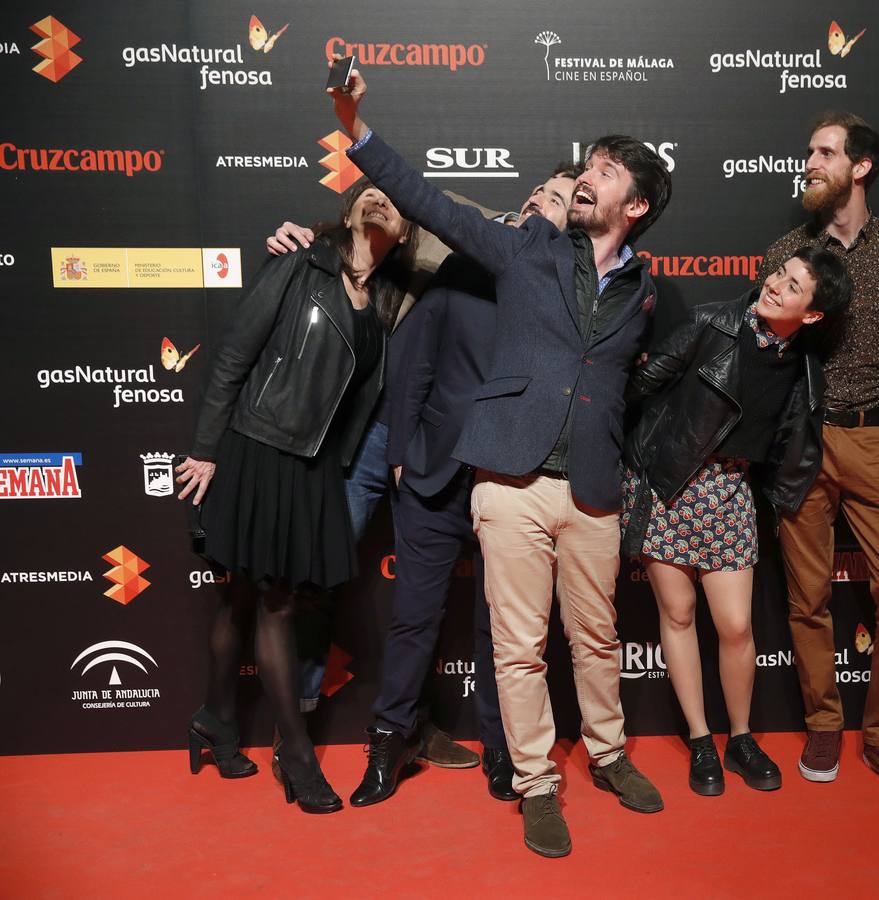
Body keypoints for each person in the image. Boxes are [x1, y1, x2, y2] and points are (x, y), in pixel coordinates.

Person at [329, 66, 672, 857]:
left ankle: (611, 757)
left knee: (595, 638)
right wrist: (357, 130)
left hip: (591, 489)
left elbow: (619, 383)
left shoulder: (642, 291)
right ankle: (535, 784)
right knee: (516, 647)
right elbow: (430, 203)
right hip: (511, 484)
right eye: (585, 169)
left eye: (605, 174)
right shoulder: (527, 253)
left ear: (637, 206)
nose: (587, 178)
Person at [266, 165, 582, 806]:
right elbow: (414, 366)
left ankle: (504, 746)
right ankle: (390, 737)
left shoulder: (570, 295)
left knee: (503, 627)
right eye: (537, 190)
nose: (534, 200)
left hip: (511, 481)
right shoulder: (465, 259)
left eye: (555, 199)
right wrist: (405, 450)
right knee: (411, 614)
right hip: (432, 468)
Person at [177, 178, 417, 814]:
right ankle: (299, 757)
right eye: (366, 191)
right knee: (276, 604)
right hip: (258, 448)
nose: (377, 199)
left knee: (243, 596)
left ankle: (215, 720)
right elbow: (234, 354)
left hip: (311, 469)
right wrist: (205, 449)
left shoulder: (386, 303)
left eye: (392, 200)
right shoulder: (298, 261)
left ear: (406, 233)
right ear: (345, 209)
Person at [622, 247, 852, 796]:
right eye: (779, 272)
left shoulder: (802, 368)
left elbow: (791, 445)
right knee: (677, 615)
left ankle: (741, 738)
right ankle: (702, 740)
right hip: (670, 481)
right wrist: (639, 462)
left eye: (793, 286)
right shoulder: (711, 324)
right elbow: (641, 388)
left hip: (728, 492)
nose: (776, 285)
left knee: (736, 626)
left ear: (812, 315)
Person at [759, 111, 879, 795]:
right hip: (802, 441)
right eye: (809, 151)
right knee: (808, 598)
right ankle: (824, 722)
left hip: (874, 437)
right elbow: (762, 351)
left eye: (825, 152)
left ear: (862, 166)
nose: (810, 162)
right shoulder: (785, 250)